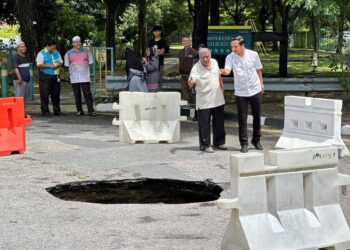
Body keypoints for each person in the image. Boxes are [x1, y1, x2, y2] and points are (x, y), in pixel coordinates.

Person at [220, 36, 264, 153]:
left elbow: (258, 70)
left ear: (242, 45)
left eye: (235, 46)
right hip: (241, 91)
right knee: (242, 118)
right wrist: (224, 72)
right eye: (232, 46)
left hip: (255, 89)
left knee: (257, 116)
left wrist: (261, 84)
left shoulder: (253, 54)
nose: (233, 49)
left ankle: (256, 140)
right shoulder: (230, 57)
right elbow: (228, 70)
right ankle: (244, 143)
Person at [189, 48, 226, 153]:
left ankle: (219, 142)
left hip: (217, 97)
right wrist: (192, 82)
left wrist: (222, 89)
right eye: (202, 57)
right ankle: (205, 145)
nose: (205, 59)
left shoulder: (214, 62)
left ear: (210, 56)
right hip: (204, 100)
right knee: (204, 124)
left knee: (219, 122)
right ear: (199, 58)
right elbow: (191, 82)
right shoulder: (196, 68)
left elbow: (218, 76)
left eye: (207, 57)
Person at [64, 36, 96, 116]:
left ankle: (91, 110)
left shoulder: (87, 52)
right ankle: (79, 110)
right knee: (76, 94)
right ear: (73, 44)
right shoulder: (68, 53)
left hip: (85, 76)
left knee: (87, 94)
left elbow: (91, 63)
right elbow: (67, 65)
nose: (78, 43)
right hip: (74, 77)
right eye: (76, 42)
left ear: (81, 42)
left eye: (79, 42)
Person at [36, 40, 63, 116]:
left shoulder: (56, 52)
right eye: (52, 48)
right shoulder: (41, 53)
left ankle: (57, 110)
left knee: (56, 94)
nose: (53, 50)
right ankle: (45, 111)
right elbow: (39, 64)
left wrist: (59, 64)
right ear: (47, 46)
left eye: (54, 48)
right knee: (45, 94)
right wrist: (50, 66)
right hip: (45, 77)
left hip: (56, 76)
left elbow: (61, 62)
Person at [178, 36, 196, 104]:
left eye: (187, 40)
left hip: (191, 75)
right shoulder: (180, 52)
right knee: (184, 90)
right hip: (183, 74)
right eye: (184, 41)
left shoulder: (194, 52)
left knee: (192, 90)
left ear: (190, 42)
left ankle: (193, 105)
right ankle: (187, 103)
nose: (185, 42)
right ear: (182, 42)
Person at [13, 41, 31, 108]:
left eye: (24, 46)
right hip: (20, 80)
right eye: (21, 47)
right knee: (19, 98)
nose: (24, 48)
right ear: (17, 48)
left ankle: (23, 113)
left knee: (25, 98)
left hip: (27, 80)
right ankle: (18, 115)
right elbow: (15, 68)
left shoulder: (25, 56)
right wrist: (19, 78)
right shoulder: (16, 57)